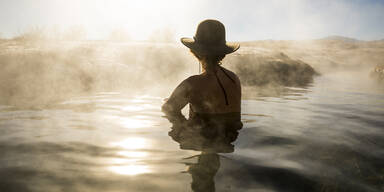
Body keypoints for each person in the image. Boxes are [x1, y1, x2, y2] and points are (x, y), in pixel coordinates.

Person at [162, 19, 242, 138]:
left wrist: (173, 105)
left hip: (203, 137)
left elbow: (168, 109)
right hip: (230, 138)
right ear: (223, 52)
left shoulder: (192, 83)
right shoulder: (234, 78)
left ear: (196, 51)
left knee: (174, 134)